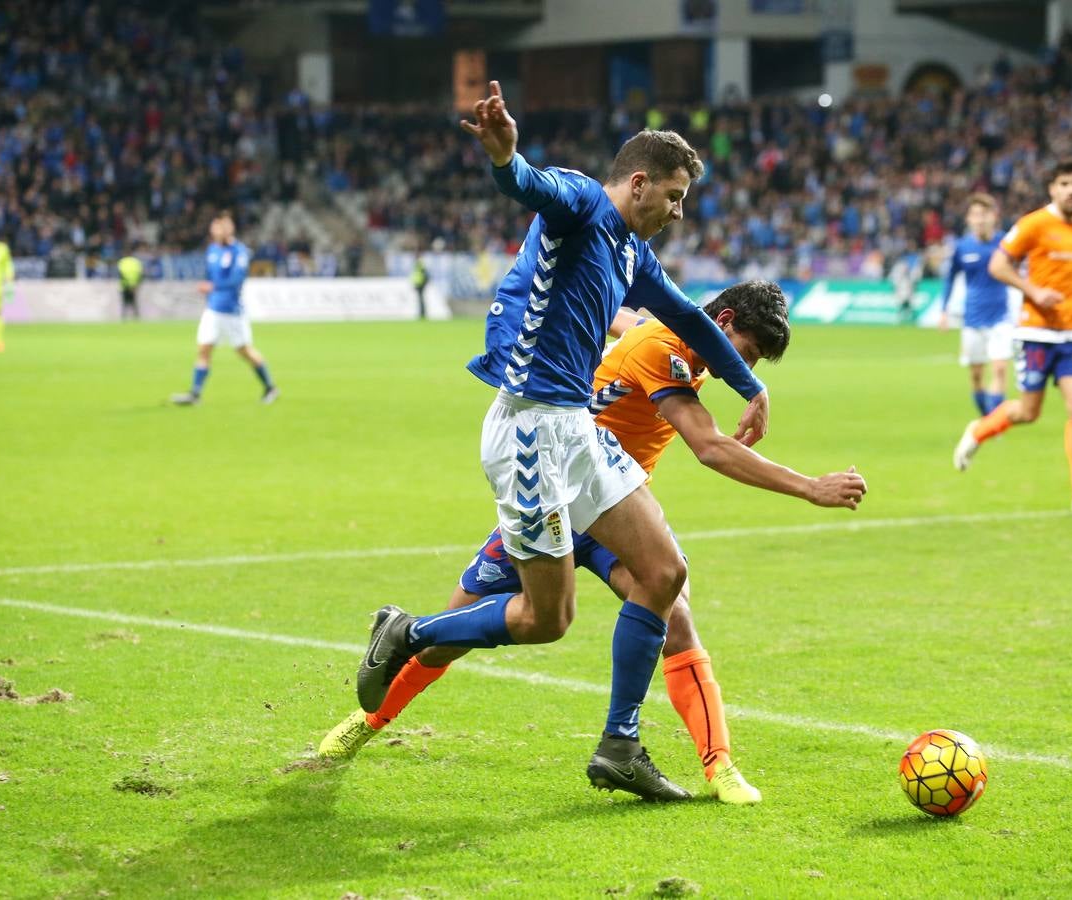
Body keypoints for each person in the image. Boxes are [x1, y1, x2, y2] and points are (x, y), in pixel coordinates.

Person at [351, 81, 772, 802]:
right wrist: (505, 158)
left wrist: (751, 387)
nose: (677, 212)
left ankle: (620, 746)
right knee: (547, 620)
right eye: (671, 197)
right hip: (528, 433)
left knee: (664, 573)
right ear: (636, 183)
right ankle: (411, 632)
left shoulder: (631, 255)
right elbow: (532, 186)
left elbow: (694, 322)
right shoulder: (581, 202)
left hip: (574, 428)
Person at [320, 282, 868, 804]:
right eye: (744, 354)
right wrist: (810, 487)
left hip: (613, 511)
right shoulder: (665, 350)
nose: (740, 370)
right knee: (454, 632)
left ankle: (715, 763)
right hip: (556, 492)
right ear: (721, 322)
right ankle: (368, 720)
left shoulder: (659, 334)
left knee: (670, 603)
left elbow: (619, 319)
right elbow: (710, 447)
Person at [953, 158, 1072, 514]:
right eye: (1064, 184)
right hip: (1036, 331)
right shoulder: (1034, 224)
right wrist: (1033, 290)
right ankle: (978, 431)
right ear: (1052, 189)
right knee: (1028, 412)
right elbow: (998, 265)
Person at [170, 211, 278, 406]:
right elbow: (211, 275)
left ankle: (270, 387)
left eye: (220, 226)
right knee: (204, 349)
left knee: (243, 350)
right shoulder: (212, 250)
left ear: (229, 228)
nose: (216, 230)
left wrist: (214, 287)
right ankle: (195, 393)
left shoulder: (240, 251)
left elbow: (237, 280)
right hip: (213, 309)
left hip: (232, 311)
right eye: (215, 227)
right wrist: (210, 288)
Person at [938, 194, 1011, 415]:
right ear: (969, 219)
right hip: (972, 319)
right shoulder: (962, 247)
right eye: (975, 215)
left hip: (1001, 316)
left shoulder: (1005, 243)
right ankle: (986, 416)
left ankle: (994, 424)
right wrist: (944, 311)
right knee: (977, 375)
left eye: (984, 214)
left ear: (994, 217)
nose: (980, 220)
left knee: (999, 369)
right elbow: (950, 279)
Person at [118, 251, 144, 320]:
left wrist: (128, 284)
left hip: (125, 285)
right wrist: (136, 285)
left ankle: (124, 318)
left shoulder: (122, 262)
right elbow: (140, 274)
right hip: (134, 286)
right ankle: (136, 318)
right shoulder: (136, 262)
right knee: (134, 303)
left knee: (125, 303)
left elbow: (121, 274)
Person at [411, 254, 429, 319]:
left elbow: (424, 275)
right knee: (420, 299)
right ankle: (421, 313)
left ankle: (422, 313)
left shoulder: (420, 265)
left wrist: (423, 283)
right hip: (418, 283)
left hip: (420, 284)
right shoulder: (419, 265)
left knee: (421, 299)